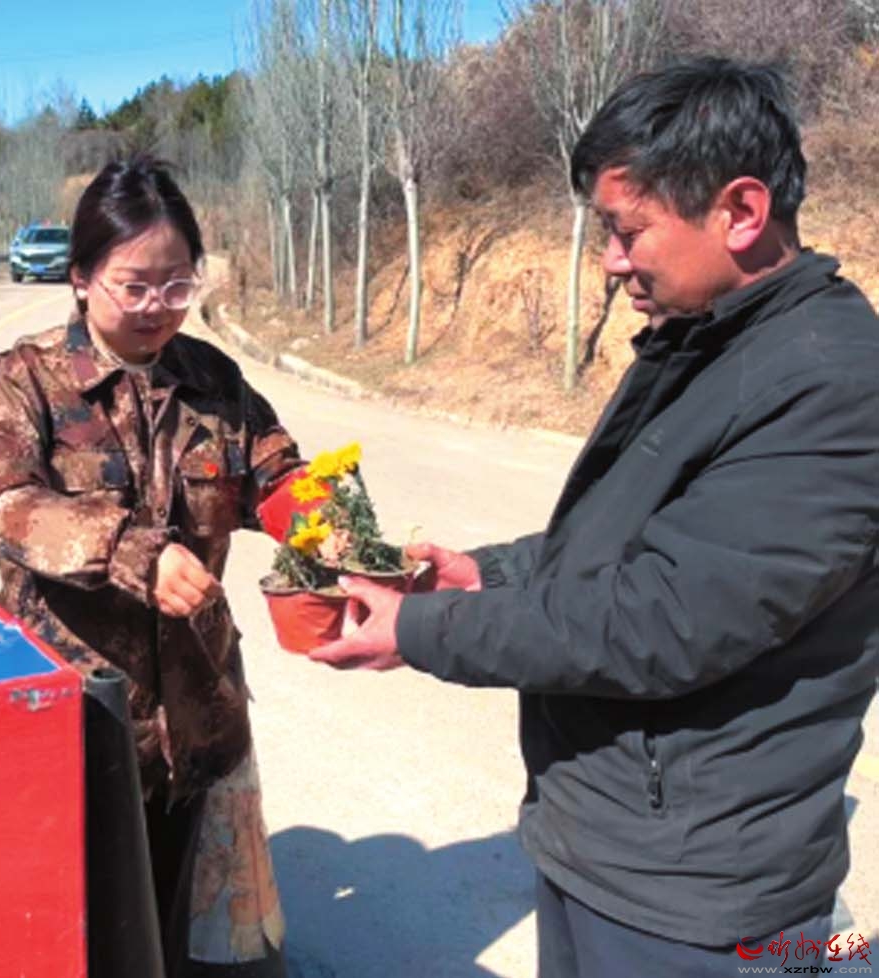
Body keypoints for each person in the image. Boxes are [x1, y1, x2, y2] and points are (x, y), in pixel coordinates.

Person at [311, 57, 879, 975]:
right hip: (610, 845)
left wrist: (421, 630)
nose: (612, 261)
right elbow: (627, 539)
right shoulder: (712, 340)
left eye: (628, 230)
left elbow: (665, 617)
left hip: (699, 896)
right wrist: (488, 574)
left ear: (740, 211)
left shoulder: (831, 382)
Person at [0, 157, 295, 976]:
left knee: (176, 928)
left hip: (195, 707)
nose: (158, 307)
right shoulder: (24, 380)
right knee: (89, 929)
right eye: (134, 285)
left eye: (177, 284)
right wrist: (129, 551)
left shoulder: (211, 378)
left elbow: (278, 472)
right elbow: (5, 503)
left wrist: (336, 531)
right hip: (78, 713)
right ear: (81, 277)